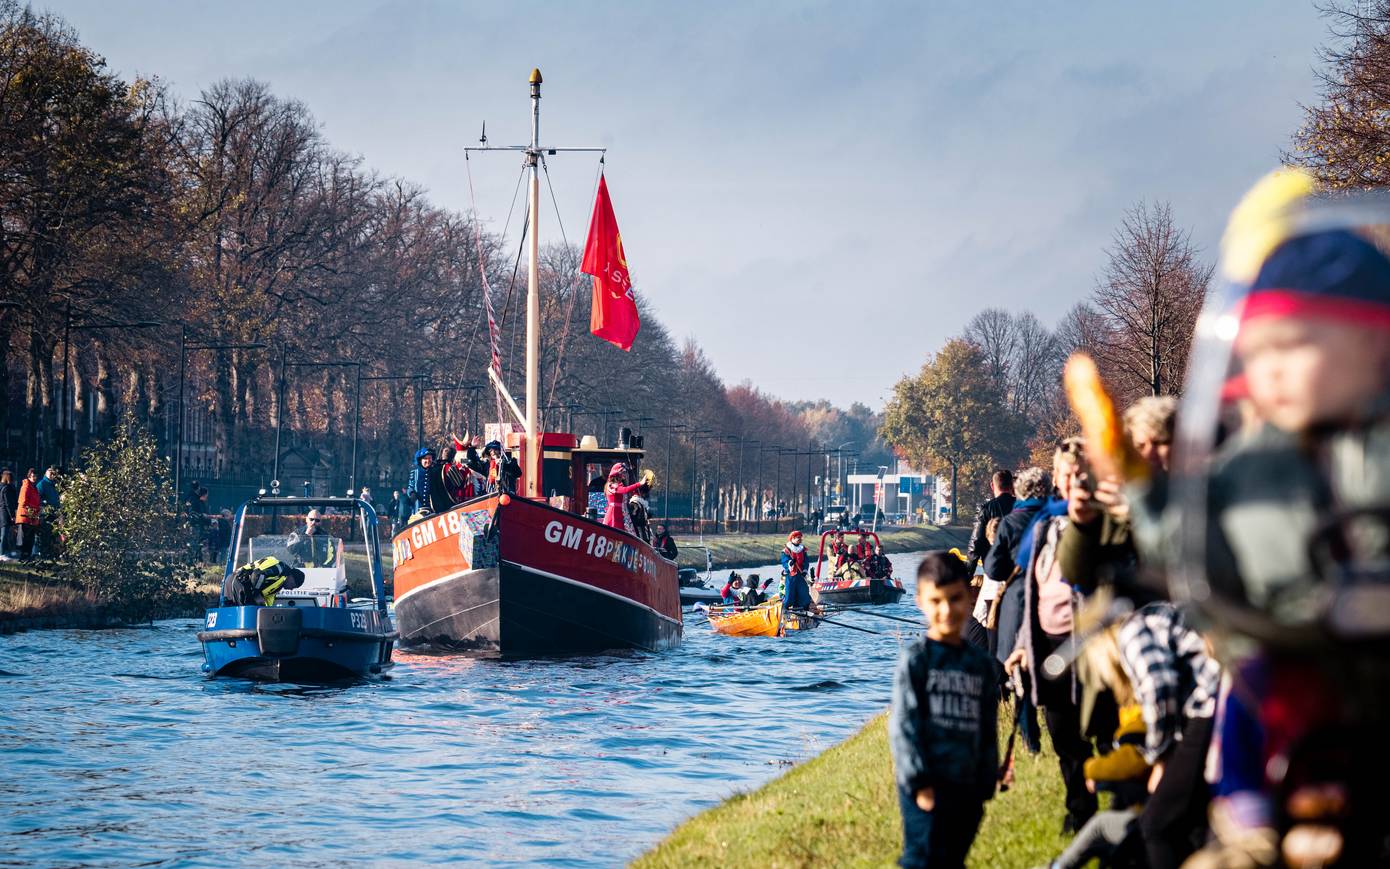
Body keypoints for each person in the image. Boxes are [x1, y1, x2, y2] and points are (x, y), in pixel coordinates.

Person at [1006, 439, 1098, 836]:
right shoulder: (1044, 525)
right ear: (1056, 479)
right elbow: (1030, 587)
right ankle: (1080, 810)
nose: (1073, 481)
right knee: (1064, 735)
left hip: (1096, 646)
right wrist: (1023, 645)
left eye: (1081, 473)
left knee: (1103, 729)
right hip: (1049, 643)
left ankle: (1125, 809)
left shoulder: (1107, 520)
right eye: (1066, 474)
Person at [889, 550, 999, 869]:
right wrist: (920, 783)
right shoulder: (917, 660)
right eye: (936, 601)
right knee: (922, 858)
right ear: (921, 601)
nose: (947, 610)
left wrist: (986, 781)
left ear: (969, 598)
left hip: (967, 786)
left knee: (953, 858)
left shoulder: (979, 664)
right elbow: (904, 727)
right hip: (926, 786)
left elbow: (987, 724)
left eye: (955, 599)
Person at [968, 470, 1015, 576]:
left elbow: (976, 542)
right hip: (1019, 568)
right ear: (1012, 485)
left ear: (992, 486)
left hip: (995, 568)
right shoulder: (1023, 507)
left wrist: (969, 573)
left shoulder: (986, 509)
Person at [602, 463, 644, 534]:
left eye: (625, 472)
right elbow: (625, 490)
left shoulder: (618, 485)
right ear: (617, 473)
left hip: (622, 512)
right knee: (616, 532)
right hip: (615, 513)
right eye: (623, 472)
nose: (625, 474)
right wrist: (640, 483)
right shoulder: (612, 485)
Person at [780, 530, 814, 611]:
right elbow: (784, 561)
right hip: (791, 575)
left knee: (804, 592)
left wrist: (805, 570)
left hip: (801, 575)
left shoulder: (803, 549)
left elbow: (806, 561)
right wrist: (790, 563)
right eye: (798, 538)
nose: (800, 539)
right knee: (790, 593)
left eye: (800, 538)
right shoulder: (786, 550)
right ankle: (786, 609)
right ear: (792, 538)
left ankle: (804, 608)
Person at [15, 468, 41, 559]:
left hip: (31, 516)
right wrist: (34, 509)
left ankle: (27, 557)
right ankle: (22, 557)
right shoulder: (26, 486)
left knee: (30, 538)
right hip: (25, 516)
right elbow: (22, 502)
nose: (34, 478)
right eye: (33, 476)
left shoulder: (34, 487)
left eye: (36, 476)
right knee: (24, 539)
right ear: (29, 476)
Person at [407, 447, 434, 516]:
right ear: (420, 460)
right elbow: (410, 487)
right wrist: (411, 493)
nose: (428, 461)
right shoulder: (414, 473)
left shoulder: (435, 472)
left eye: (430, 458)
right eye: (425, 458)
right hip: (417, 509)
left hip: (432, 510)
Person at [0, 469, 16, 560]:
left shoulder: (2, 487)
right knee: (4, 535)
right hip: (5, 514)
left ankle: (4, 553)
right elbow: (8, 503)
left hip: (3, 512)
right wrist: (12, 515)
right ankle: (2, 554)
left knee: (4, 534)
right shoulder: (7, 489)